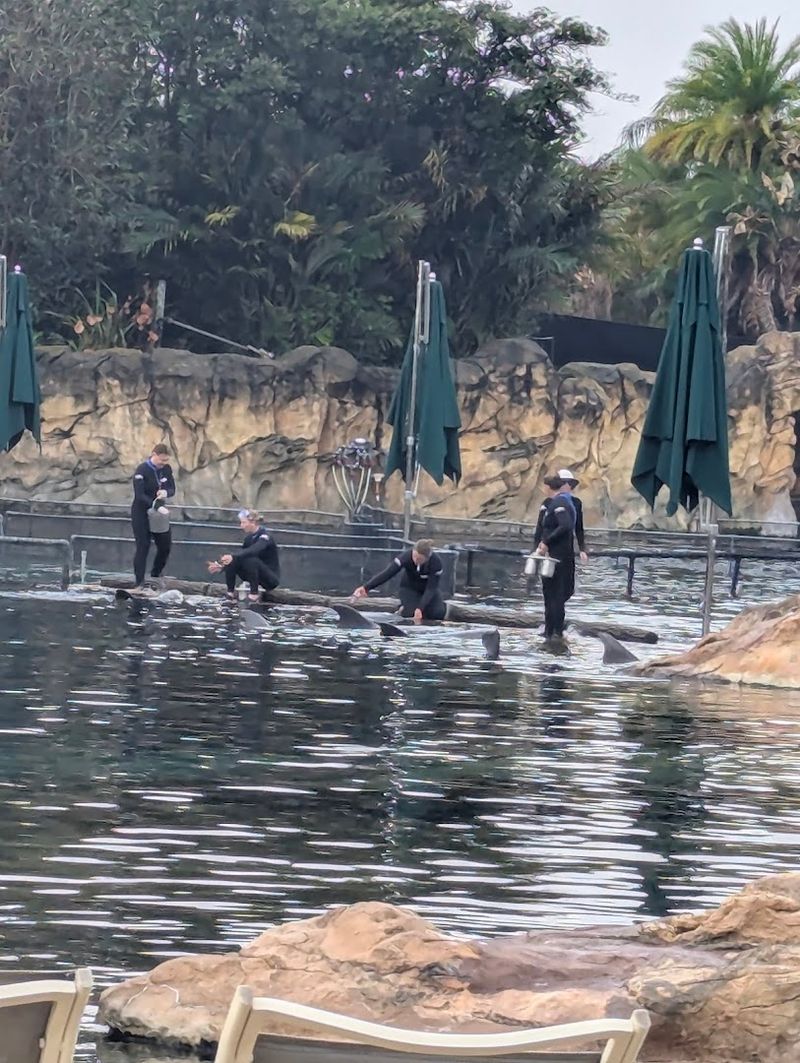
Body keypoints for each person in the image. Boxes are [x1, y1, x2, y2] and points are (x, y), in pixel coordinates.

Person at [352, 539, 446, 621]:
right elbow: (388, 573)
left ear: (427, 558)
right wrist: (366, 587)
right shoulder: (405, 557)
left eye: (419, 559)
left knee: (438, 613)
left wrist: (420, 608)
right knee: (410, 614)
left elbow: (431, 588)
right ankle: (401, 610)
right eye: (414, 556)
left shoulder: (436, 563)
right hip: (409, 588)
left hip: (428, 589)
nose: (415, 560)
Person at [534, 475, 576, 643]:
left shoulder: (559, 504)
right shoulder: (559, 503)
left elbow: (565, 525)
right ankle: (550, 629)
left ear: (549, 487)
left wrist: (546, 541)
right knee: (550, 593)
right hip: (555, 556)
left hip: (558, 557)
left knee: (555, 595)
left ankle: (555, 631)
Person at [208, 510, 280, 601]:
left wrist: (233, 556)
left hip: (269, 578)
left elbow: (254, 550)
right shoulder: (248, 538)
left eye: (244, 522)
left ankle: (254, 594)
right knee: (234, 560)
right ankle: (230, 592)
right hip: (254, 576)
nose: (241, 526)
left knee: (250, 559)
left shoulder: (265, 536)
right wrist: (222, 566)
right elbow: (240, 557)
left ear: (253, 522)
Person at [131, 444, 176, 589]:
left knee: (165, 546)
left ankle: (155, 575)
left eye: (166, 461)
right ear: (154, 454)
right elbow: (140, 495)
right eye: (161, 460)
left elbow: (172, 488)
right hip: (142, 511)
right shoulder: (142, 470)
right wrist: (156, 506)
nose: (163, 463)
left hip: (159, 514)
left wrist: (165, 493)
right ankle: (139, 582)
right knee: (143, 545)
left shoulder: (166, 469)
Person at [557, 468, 588, 563]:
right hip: (551, 544)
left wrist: (582, 549)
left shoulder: (576, 502)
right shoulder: (552, 501)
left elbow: (579, 527)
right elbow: (542, 526)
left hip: (567, 544)